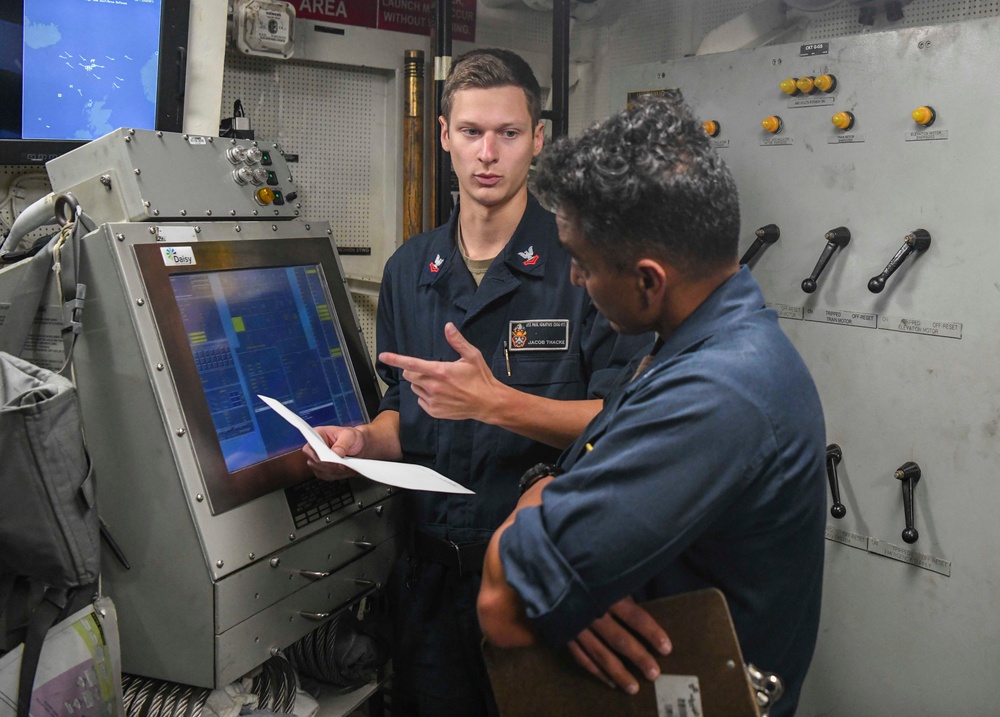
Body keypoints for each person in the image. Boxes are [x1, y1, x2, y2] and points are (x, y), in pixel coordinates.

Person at [304, 48, 648, 717]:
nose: (487, 153)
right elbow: (404, 415)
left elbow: (626, 425)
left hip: (540, 585)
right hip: (428, 587)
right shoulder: (411, 270)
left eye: (509, 134)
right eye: (470, 132)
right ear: (443, 137)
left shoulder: (585, 267)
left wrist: (498, 405)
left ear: (537, 141)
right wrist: (356, 441)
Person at [477, 92, 828, 717]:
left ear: (647, 279)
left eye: (582, 265)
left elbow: (501, 606)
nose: (578, 283)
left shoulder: (717, 392)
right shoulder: (695, 343)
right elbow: (573, 474)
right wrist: (571, 585)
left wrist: (554, 571)